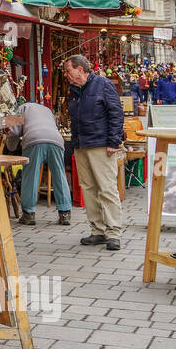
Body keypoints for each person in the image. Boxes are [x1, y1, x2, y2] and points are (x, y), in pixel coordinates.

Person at [63, 55, 126, 251]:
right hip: (82, 144)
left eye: (68, 70)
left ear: (80, 70)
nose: (66, 75)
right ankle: (97, 230)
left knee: (106, 188)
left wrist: (114, 141)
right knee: (88, 188)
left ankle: (113, 232)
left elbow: (116, 113)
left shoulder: (103, 84)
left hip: (100, 144)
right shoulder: (74, 90)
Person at [11, 100, 72, 227]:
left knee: (31, 176)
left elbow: (14, 132)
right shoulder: (47, 110)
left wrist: (10, 146)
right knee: (59, 175)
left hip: (34, 140)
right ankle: (65, 213)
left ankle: (28, 214)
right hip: (56, 140)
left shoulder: (21, 108)